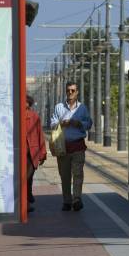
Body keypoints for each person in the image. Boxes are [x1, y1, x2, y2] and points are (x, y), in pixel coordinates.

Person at [50, 81, 92, 211]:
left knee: (78, 174)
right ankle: (67, 201)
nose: (70, 93)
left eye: (73, 90)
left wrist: (78, 123)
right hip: (63, 147)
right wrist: (61, 123)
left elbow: (89, 123)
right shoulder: (59, 107)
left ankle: (77, 199)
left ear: (77, 92)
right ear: (65, 91)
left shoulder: (82, 108)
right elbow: (52, 123)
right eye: (68, 90)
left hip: (78, 146)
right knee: (65, 175)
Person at [26, 95, 46, 212]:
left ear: (29, 103)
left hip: (31, 153)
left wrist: (42, 153)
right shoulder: (16, 115)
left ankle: (28, 199)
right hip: (22, 153)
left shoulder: (34, 116)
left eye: (26, 102)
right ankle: (27, 199)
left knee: (28, 178)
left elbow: (39, 135)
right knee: (26, 179)